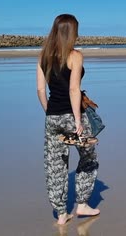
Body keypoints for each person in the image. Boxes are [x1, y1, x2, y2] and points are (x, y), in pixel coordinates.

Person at [36, 14, 100, 225]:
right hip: (72, 115)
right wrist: (78, 121)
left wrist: (49, 111)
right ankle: (82, 204)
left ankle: (61, 214)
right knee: (88, 156)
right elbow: (74, 89)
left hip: (52, 116)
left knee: (55, 165)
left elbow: (40, 89)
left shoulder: (43, 55)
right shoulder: (75, 55)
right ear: (72, 32)